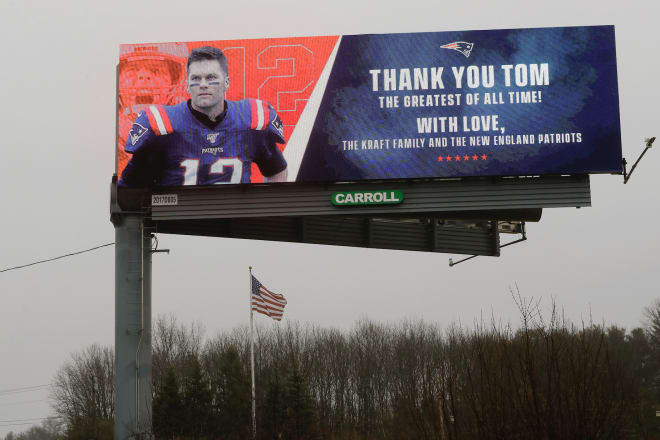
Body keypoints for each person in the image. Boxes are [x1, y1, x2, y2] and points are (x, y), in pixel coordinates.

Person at [118, 46, 288, 187]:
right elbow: (130, 187)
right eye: (196, 78)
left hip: (234, 223)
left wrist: (265, 211)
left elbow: (277, 170)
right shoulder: (161, 125)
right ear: (186, 85)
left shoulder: (249, 120)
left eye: (211, 77)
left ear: (226, 82)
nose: (203, 84)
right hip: (180, 223)